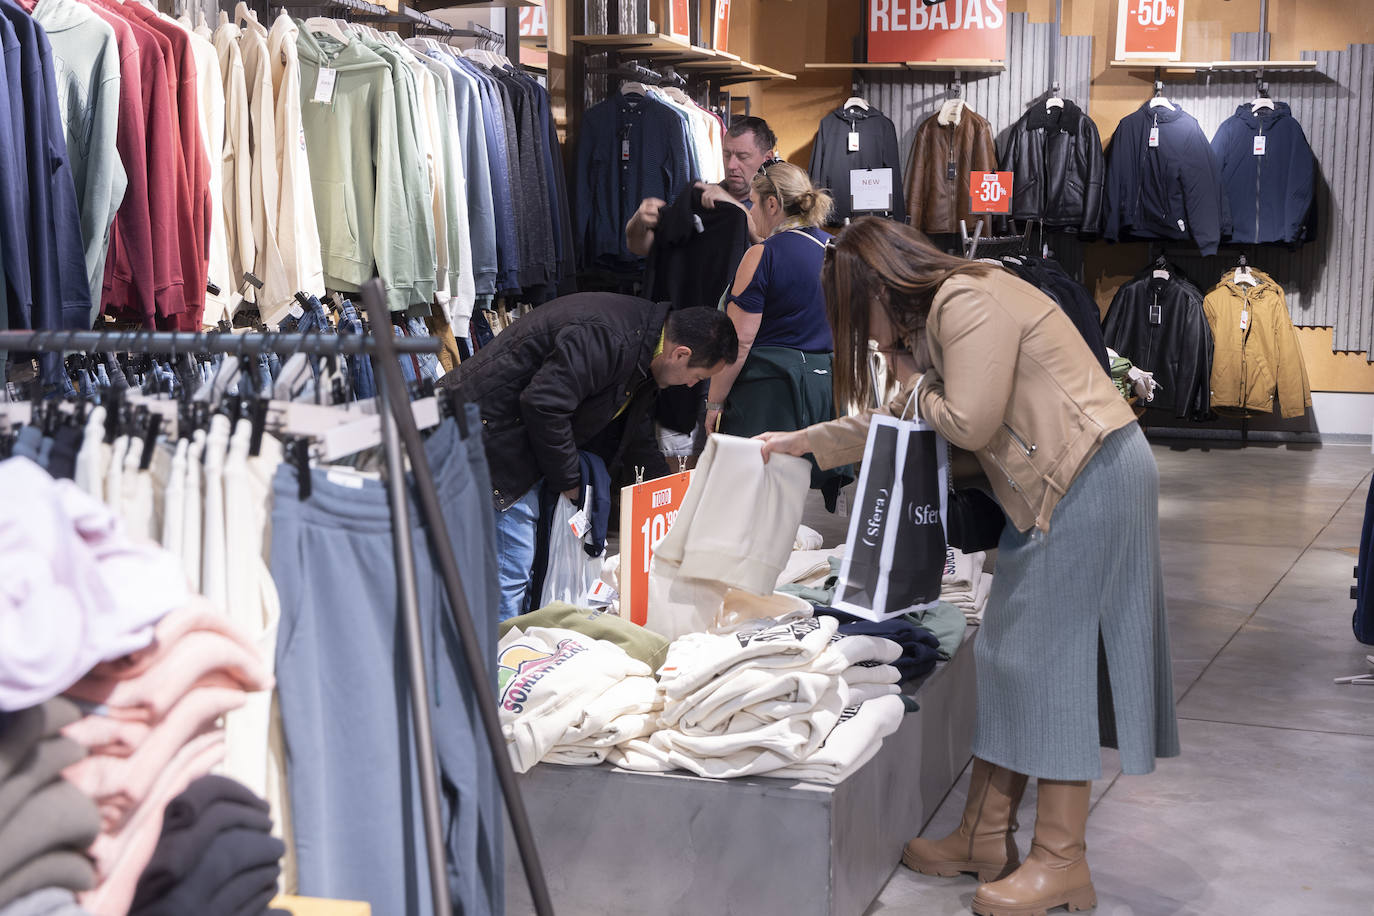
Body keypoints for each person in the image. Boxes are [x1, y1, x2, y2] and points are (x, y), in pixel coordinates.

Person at [758, 217, 1179, 916]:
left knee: (1045, 663)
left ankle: (1060, 862)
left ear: (877, 286)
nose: (863, 333)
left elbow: (969, 420)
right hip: (1059, 481)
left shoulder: (965, 299)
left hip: (1087, 475)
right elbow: (902, 423)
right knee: (1016, 655)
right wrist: (802, 441)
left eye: (855, 312)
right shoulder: (942, 320)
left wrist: (910, 378)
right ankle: (985, 836)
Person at [439, 294, 738, 620]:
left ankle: (500, 650)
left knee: (516, 567)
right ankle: (500, 664)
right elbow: (544, 404)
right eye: (698, 377)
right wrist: (569, 480)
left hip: (505, 439)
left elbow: (636, 433)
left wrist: (670, 494)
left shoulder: (643, 347)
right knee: (510, 569)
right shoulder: (610, 337)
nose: (692, 385)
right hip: (485, 439)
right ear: (681, 354)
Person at [702, 160, 850, 508]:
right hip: (823, 387)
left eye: (753, 202)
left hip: (768, 393)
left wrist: (714, 402)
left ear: (773, 204)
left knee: (751, 505)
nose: (751, 212)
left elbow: (739, 341)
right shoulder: (836, 250)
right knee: (790, 503)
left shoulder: (762, 256)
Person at [625, 116, 778, 256]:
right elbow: (643, 247)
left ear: (767, 158)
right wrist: (638, 222)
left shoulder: (780, 206)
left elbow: (778, 259)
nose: (731, 165)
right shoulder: (701, 198)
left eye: (742, 156)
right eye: (726, 155)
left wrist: (741, 212)